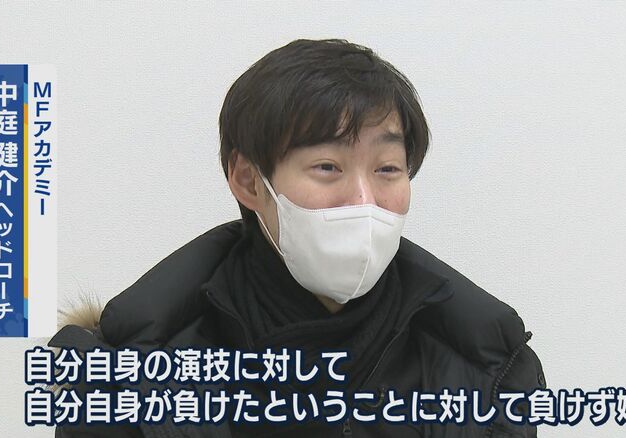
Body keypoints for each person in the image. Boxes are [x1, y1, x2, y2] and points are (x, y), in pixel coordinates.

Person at [49, 38, 546, 438]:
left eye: (387, 169)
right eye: (328, 167)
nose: (363, 200)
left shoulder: (488, 373)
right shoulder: (122, 380)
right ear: (248, 180)